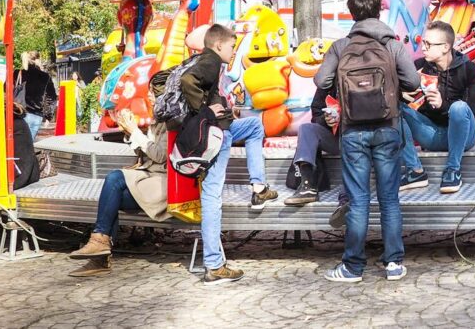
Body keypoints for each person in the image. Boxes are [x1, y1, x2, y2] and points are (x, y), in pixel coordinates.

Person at [314, 0, 421, 283]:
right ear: (379, 11)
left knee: (359, 200)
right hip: (388, 128)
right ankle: (394, 263)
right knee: (389, 199)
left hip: (352, 131)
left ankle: (352, 267)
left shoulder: (340, 46)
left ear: (352, 14)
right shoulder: (393, 45)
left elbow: (321, 80)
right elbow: (413, 81)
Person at [185, 23, 278, 285]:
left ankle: (258, 186)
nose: (233, 51)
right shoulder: (210, 61)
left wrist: (221, 107)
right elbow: (187, 82)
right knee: (212, 195)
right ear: (217, 45)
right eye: (231, 46)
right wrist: (206, 113)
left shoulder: (209, 62)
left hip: (223, 128)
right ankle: (214, 264)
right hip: (217, 135)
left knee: (254, 126)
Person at [68, 109, 169, 276]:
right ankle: (99, 250)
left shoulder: (171, 121)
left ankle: (99, 252)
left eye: (153, 91)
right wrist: (129, 132)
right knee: (112, 197)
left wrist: (134, 131)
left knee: (114, 180)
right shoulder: (156, 119)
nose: (150, 95)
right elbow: (145, 154)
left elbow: (159, 155)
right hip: (149, 178)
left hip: (163, 184)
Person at [399, 20, 475, 195]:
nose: (423, 48)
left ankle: (453, 169)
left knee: (459, 108)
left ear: (445, 47)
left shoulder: (470, 70)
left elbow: (471, 112)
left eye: (429, 44)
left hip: (464, 135)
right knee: (395, 107)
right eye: (423, 42)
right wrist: (405, 95)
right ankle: (415, 171)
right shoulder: (419, 67)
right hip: (433, 134)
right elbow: (411, 104)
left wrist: (443, 104)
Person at [282, 86, 350, 228]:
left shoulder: (361, 77)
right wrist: (326, 120)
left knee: (351, 141)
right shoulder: (328, 81)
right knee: (306, 128)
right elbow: (316, 114)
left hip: (358, 137)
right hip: (334, 138)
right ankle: (308, 186)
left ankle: (346, 202)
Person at [15, 51, 57, 139]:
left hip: (20, 113)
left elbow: (6, 90)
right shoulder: (45, 76)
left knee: (19, 145)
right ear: (37, 60)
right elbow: (51, 97)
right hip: (36, 115)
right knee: (29, 144)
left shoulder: (18, 73)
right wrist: (48, 116)